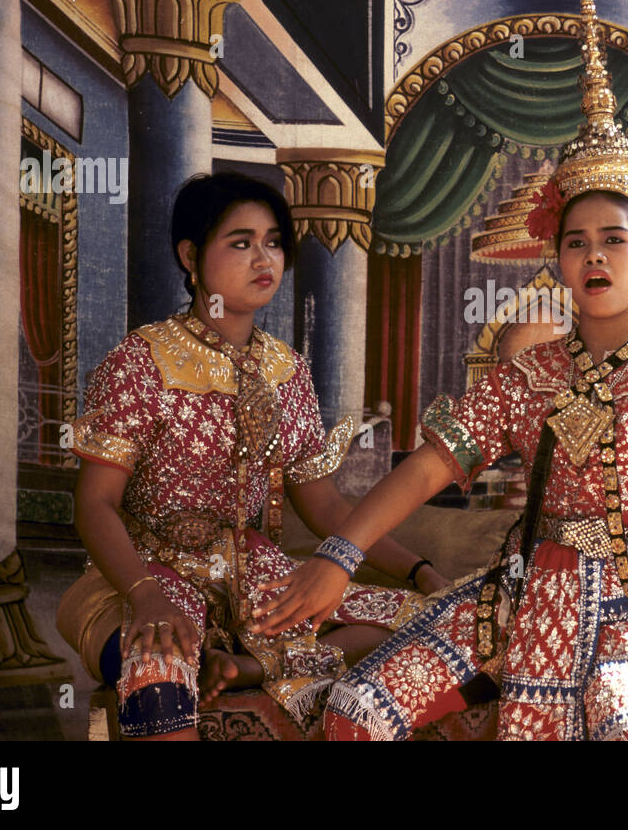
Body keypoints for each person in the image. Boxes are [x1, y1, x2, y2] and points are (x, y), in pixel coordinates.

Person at [251, 0, 628, 740]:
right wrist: (339, 553)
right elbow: (430, 466)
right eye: (578, 242)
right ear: (561, 259)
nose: (595, 257)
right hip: (517, 596)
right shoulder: (526, 376)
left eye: (614, 239)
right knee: (353, 711)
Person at [57, 172, 448, 740]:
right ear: (190, 256)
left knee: (426, 622)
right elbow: (94, 505)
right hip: (144, 576)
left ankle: (252, 665)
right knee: (159, 663)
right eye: (240, 242)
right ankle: (220, 659)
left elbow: (326, 509)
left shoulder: (287, 372)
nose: (263, 257)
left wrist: (421, 571)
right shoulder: (142, 361)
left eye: (272, 241)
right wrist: (145, 597)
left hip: (260, 582)